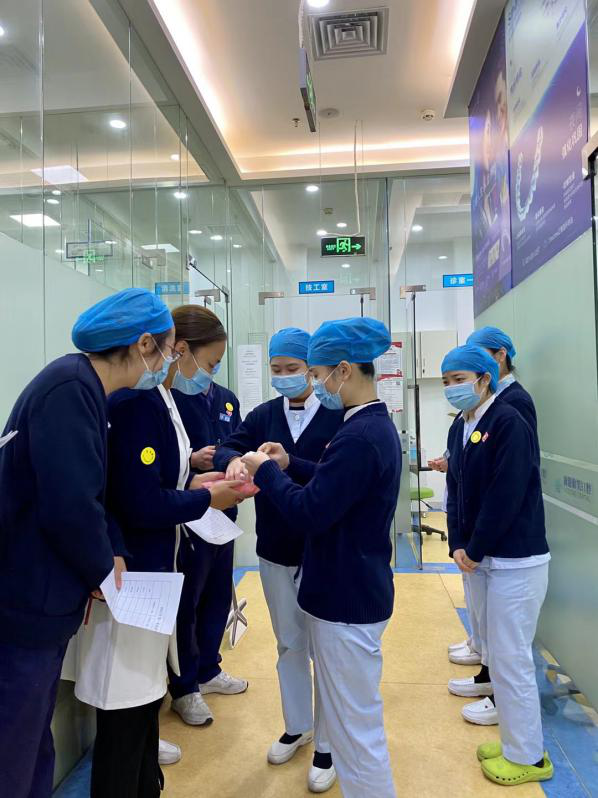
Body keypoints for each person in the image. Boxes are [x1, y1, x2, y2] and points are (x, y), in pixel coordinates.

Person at [0, 287, 175, 798]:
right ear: (144, 344)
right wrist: (102, 569)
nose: (167, 362)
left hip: (44, 593)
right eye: (167, 349)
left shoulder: (84, 388)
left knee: (33, 738)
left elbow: (88, 492)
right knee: (15, 744)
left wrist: (109, 551)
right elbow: (69, 504)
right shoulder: (70, 389)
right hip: (27, 598)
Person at [72, 304, 243, 798]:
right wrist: (205, 498)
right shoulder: (132, 402)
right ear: (166, 348)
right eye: (170, 349)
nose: (206, 373)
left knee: (144, 699)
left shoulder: (162, 398)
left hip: (157, 568)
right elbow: (138, 500)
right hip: (132, 573)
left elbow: (162, 478)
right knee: (126, 707)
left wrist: (198, 482)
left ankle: (147, 782)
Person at [241, 317, 401, 798]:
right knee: (354, 721)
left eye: (316, 373)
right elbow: (337, 484)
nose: (314, 383)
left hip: (346, 598)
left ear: (343, 370)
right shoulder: (369, 426)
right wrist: (292, 463)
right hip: (354, 587)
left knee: (356, 736)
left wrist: (267, 472)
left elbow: (310, 511)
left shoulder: (358, 435)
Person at [213, 327, 342, 794]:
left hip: (324, 550)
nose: (284, 376)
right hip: (275, 547)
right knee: (289, 643)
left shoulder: (338, 414)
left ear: (312, 369)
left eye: (293, 369)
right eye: (277, 369)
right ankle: (298, 726)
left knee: (327, 651)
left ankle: (329, 744)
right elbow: (229, 444)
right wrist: (233, 462)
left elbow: (339, 478)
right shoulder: (264, 415)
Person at [442, 344, 553, 786]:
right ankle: (515, 741)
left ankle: (529, 757)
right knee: (496, 653)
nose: (452, 387)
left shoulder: (508, 421)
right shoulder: (462, 424)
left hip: (516, 560)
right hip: (484, 558)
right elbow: (456, 487)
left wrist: (476, 546)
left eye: (459, 379)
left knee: (511, 658)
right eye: (447, 381)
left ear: (485, 379)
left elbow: (506, 494)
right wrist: (457, 543)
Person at [167, 305, 248, 726]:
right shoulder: (166, 399)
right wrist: (191, 460)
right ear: (182, 350)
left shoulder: (226, 400)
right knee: (188, 600)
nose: (211, 372)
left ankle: (209, 668)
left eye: (217, 365)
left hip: (223, 512)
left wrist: (239, 467)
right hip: (187, 515)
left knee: (218, 592)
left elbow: (237, 443)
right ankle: (185, 687)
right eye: (210, 362)